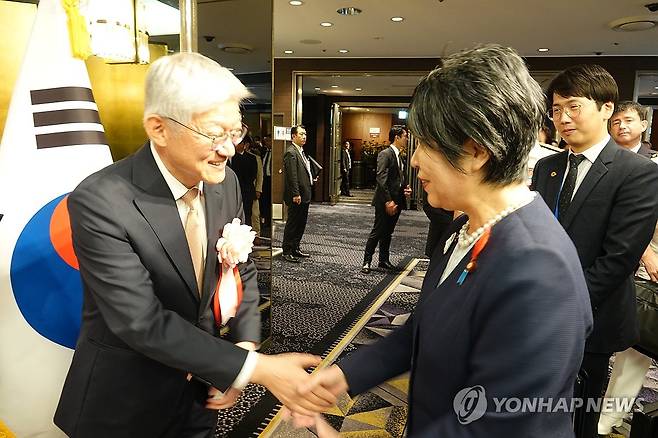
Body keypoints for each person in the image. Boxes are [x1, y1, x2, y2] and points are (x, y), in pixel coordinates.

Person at [298, 45, 593, 437]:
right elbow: (425, 328)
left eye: (425, 145)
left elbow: (499, 423)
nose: (415, 160)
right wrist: (344, 375)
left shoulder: (537, 265)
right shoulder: (462, 229)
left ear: (475, 150)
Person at [54, 53, 333, 438]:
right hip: (123, 404)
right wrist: (254, 369)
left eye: (235, 133)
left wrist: (244, 347)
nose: (230, 149)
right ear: (159, 129)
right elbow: (140, 321)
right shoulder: (101, 199)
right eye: (215, 134)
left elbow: (241, 270)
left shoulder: (226, 184)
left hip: (200, 396)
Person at [532, 65, 658, 438]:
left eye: (573, 106)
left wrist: (557, 307)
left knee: (577, 414)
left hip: (590, 317)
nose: (563, 118)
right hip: (537, 310)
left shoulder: (636, 172)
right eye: (556, 110)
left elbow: (618, 259)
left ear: (606, 108)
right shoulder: (547, 167)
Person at [598, 101, 657, 436]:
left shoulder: (654, 163)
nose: (620, 126)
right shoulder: (601, 162)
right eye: (616, 121)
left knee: (637, 345)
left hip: (646, 264)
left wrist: (649, 252)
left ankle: (610, 417)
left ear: (643, 125)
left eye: (628, 120)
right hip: (609, 259)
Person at [361, 127, 412, 274]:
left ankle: (383, 260)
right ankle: (367, 261)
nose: (406, 139)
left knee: (388, 232)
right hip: (385, 201)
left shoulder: (400, 156)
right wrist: (388, 201)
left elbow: (399, 179)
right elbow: (381, 179)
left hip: (397, 201)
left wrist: (406, 189)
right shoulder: (385, 154)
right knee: (377, 231)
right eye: (405, 136)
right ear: (397, 137)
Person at [282, 125, 313, 263]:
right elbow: (292, 176)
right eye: (301, 134)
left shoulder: (300, 151)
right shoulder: (291, 152)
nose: (304, 136)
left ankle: (295, 247)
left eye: (305, 134)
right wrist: (296, 194)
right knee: (293, 223)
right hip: (297, 195)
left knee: (301, 223)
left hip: (304, 194)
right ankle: (287, 250)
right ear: (293, 136)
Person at [228, 135, 258, 227]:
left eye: (239, 143)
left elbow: (253, 174)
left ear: (244, 145)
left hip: (247, 190)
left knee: (247, 213)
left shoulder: (252, 158)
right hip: (234, 190)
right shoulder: (231, 158)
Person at [260, 134, 272, 238]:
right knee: (264, 201)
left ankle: (269, 221)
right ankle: (265, 220)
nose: (266, 143)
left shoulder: (277, 153)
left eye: (268, 141)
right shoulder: (263, 152)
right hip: (264, 179)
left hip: (272, 179)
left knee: (270, 201)